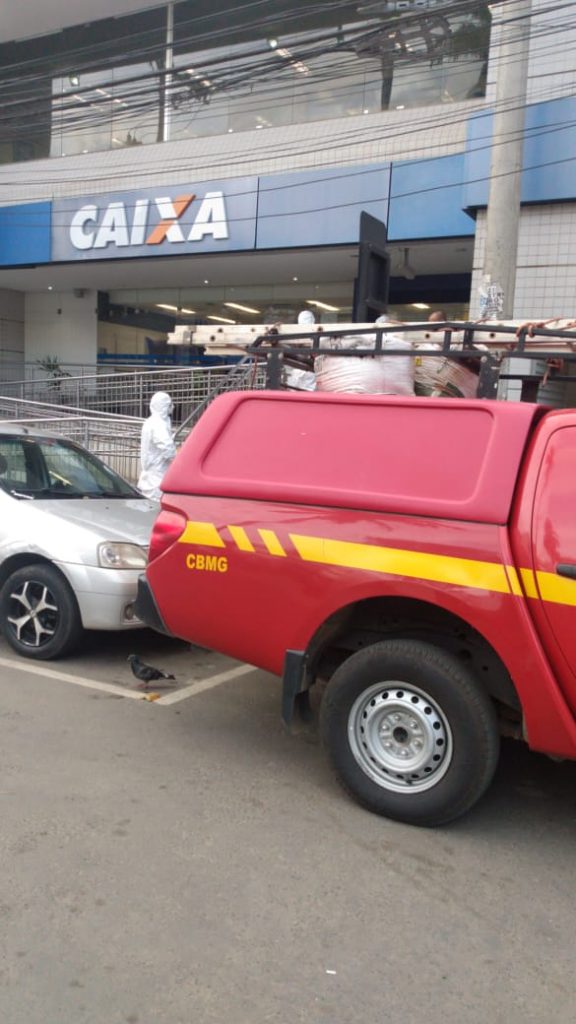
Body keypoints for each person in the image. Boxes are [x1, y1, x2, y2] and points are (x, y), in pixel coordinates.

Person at [137, 391, 177, 501]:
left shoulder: (151, 422)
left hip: (152, 474)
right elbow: (167, 447)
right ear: (164, 406)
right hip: (157, 475)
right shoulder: (158, 424)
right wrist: (177, 461)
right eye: (169, 405)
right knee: (155, 507)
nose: (172, 407)